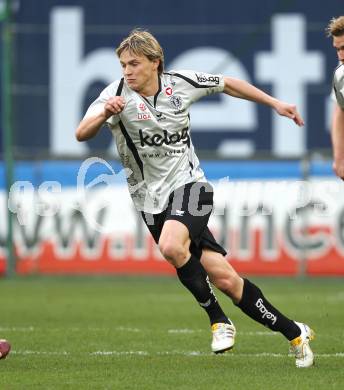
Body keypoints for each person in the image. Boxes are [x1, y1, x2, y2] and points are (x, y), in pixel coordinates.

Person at [76, 29, 314, 368]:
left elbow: (229, 83)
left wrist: (275, 103)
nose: (127, 71)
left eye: (134, 64)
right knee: (226, 279)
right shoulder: (113, 96)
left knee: (171, 247)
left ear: (155, 63)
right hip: (150, 201)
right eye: (123, 65)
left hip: (192, 187)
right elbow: (81, 131)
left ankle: (219, 320)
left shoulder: (180, 84)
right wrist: (102, 114)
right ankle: (295, 333)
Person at [327, 16, 344, 180]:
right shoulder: (341, 74)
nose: (341, 56)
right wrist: (339, 159)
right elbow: (340, 110)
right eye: (337, 49)